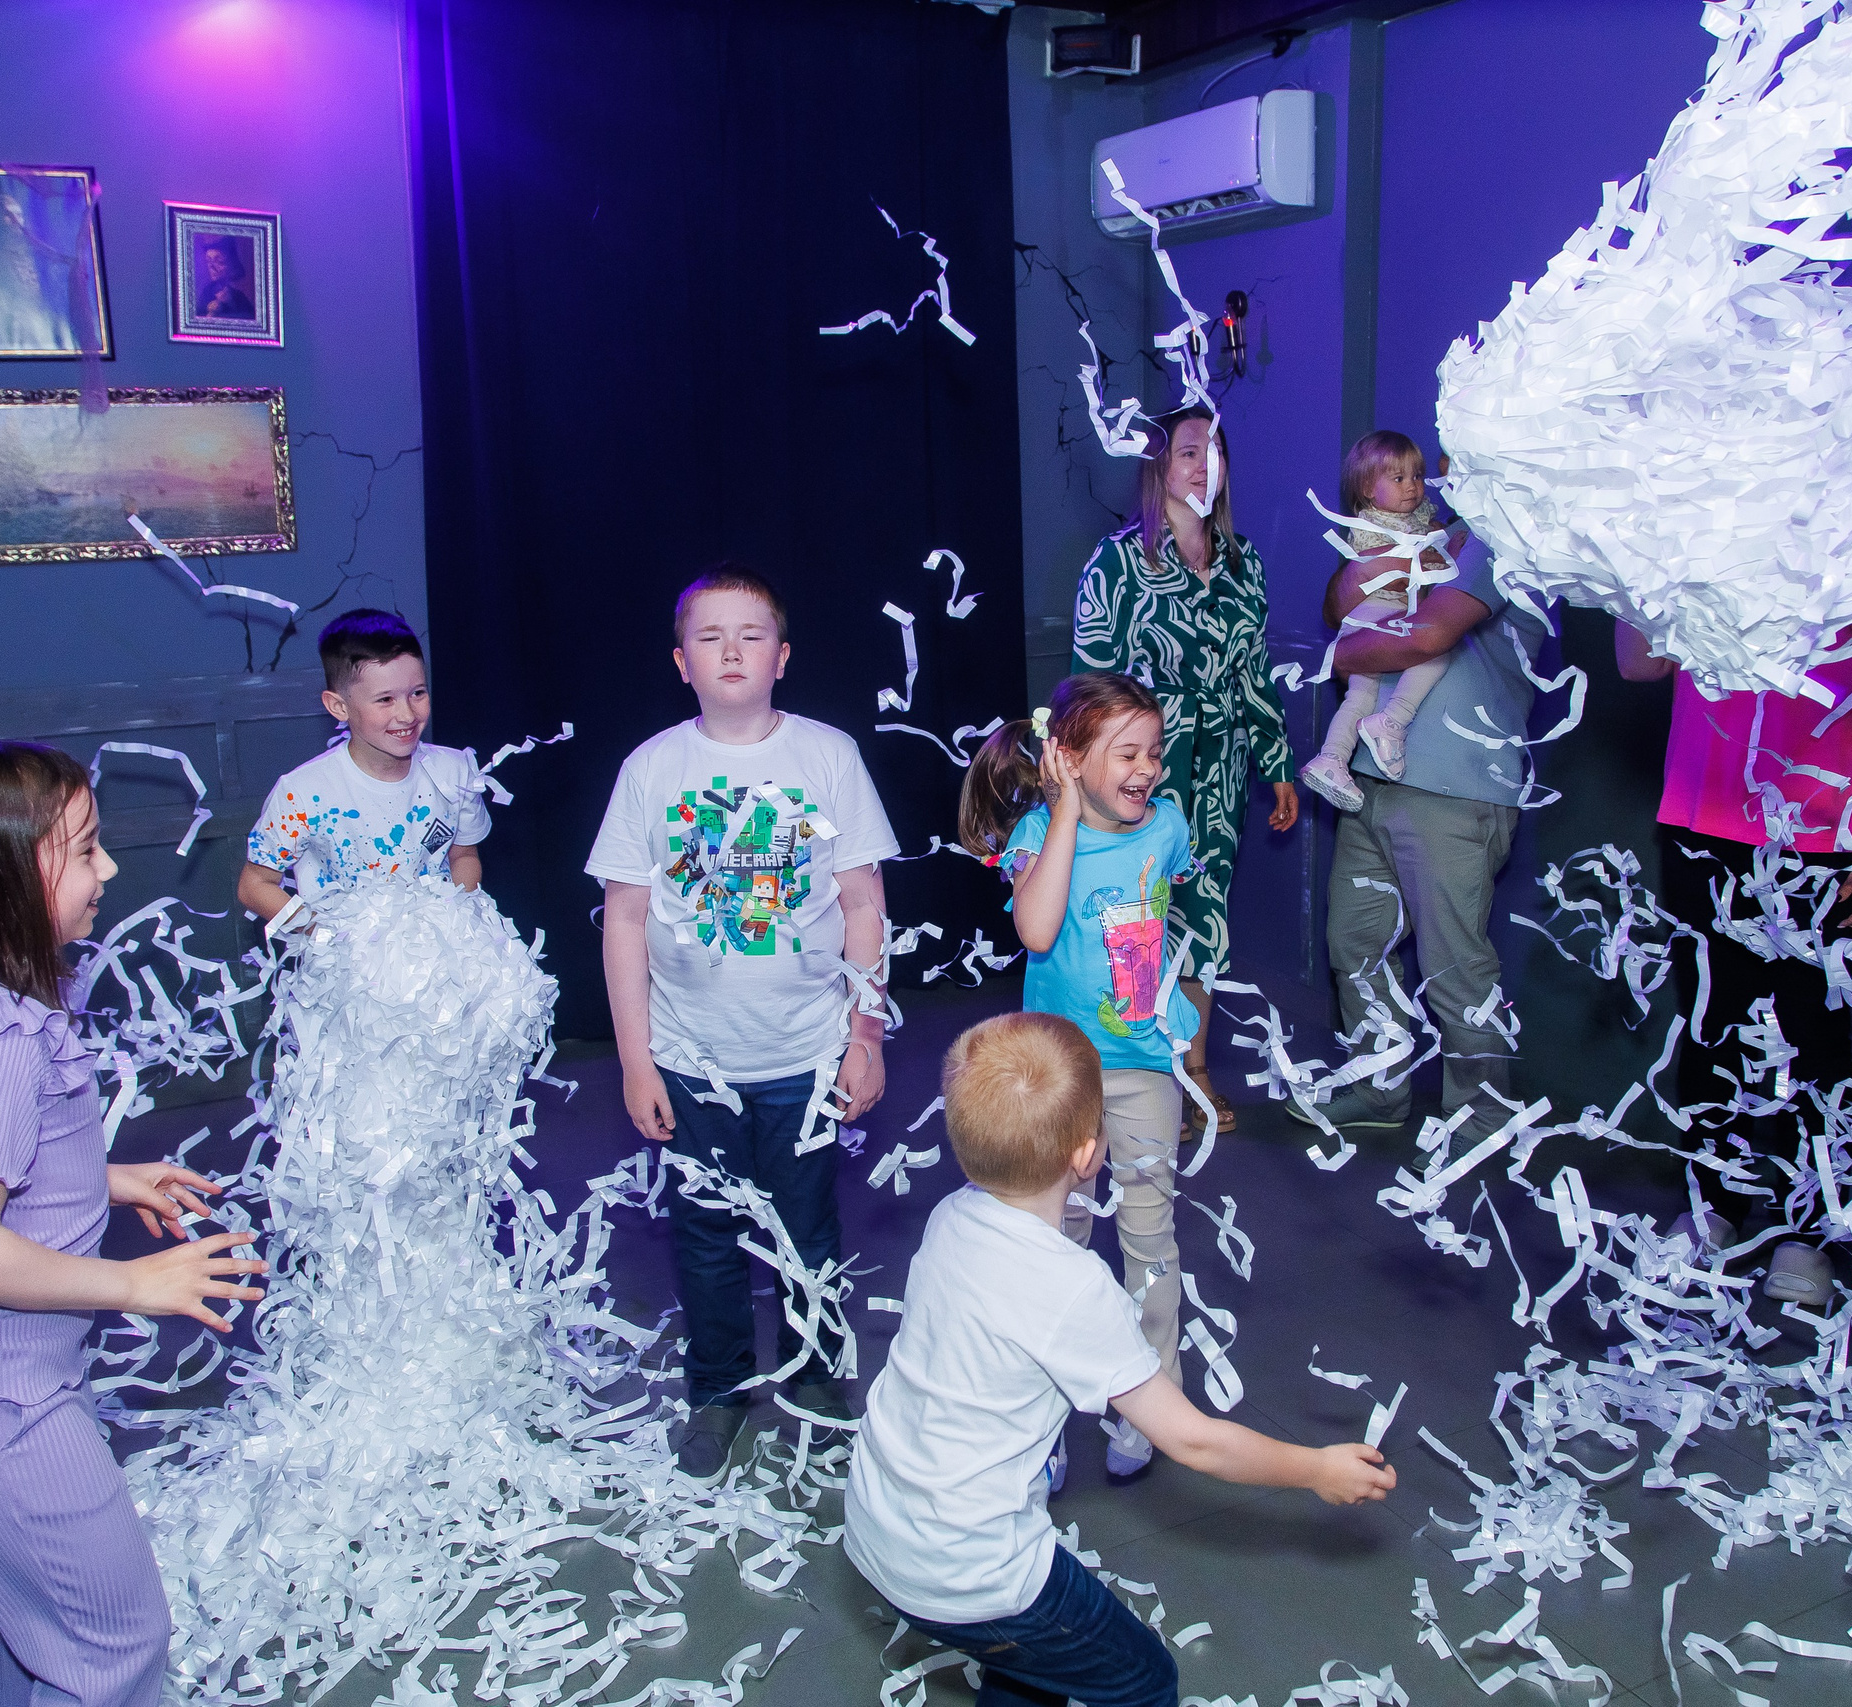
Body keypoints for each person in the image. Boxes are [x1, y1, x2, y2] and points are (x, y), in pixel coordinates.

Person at [0, 741, 268, 1707]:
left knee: (32, 1640)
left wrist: (106, 1178)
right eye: (85, 851)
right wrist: (138, 1282)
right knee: (116, 1644)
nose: (110, 870)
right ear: (2, 878)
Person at [843, 1011, 1395, 1707]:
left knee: (1032, 1662)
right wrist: (1316, 1469)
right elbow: (1193, 1439)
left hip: (878, 1520)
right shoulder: (1074, 1288)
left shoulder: (952, 1216)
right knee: (1140, 1677)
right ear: (1087, 1154)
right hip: (970, 1568)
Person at [588, 564, 897, 1476]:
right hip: (691, 1059)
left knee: (809, 1228)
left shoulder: (828, 756)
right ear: (681, 661)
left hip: (805, 1053)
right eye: (710, 637)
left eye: (750, 634)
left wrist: (865, 1034)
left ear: (783, 656)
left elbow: (864, 904)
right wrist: (638, 1063)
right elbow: (627, 923)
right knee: (707, 1234)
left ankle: (815, 1378)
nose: (730, 650)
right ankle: (719, 1389)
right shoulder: (652, 769)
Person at [958, 670, 1199, 1483]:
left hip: (1144, 1071)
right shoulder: (1037, 831)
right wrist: (1062, 811)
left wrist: (1178, 1007)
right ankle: (1044, 1423)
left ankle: (1151, 1402)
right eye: (1126, 752)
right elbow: (1035, 926)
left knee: (1150, 1240)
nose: (1147, 768)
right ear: (1067, 757)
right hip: (1060, 1078)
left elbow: (1164, 917)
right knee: (1057, 1246)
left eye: (1154, 752)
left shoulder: (1167, 826)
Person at [1614, 622, 1852, 1305]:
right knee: (1712, 1018)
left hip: (1836, 818)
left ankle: (1812, 1230)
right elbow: (1637, 663)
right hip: (1706, 808)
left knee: (1817, 1032)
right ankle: (1712, 1203)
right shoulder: (1705, 518)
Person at [1072, 407, 1300, 1133]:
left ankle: (1195, 1071)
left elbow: (1255, 673)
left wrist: (1278, 762)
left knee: (1204, 925)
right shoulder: (1116, 562)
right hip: (1138, 782)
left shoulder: (1244, 564)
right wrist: (1098, 786)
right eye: (1189, 451)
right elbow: (1089, 690)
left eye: (1217, 450)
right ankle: (1141, 1077)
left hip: (1219, 778)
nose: (1205, 464)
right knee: (1139, 921)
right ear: (1160, 467)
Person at [1289, 529, 1549, 1138]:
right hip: (1367, 781)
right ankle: (1378, 1091)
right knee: (1355, 944)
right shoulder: (1430, 530)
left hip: (1456, 794)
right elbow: (1340, 601)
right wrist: (1358, 627)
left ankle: (1481, 1117)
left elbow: (1428, 634)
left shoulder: (1511, 534)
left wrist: (1348, 653)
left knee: (1455, 963)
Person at [240, 609, 491, 921]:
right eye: (385, 699)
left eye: (417, 693)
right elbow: (254, 885)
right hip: (345, 964)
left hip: (441, 960)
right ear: (339, 706)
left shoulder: (456, 772)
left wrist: (462, 924)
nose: (407, 715)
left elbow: (463, 855)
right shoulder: (301, 793)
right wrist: (322, 936)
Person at [1298, 431, 1469, 812]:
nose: (1412, 487)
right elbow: (1406, 566)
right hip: (1377, 611)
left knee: (1360, 695)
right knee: (1436, 652)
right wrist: (1443, 553)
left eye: (1418, 476)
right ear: (1368, 489)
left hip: (1375, 614)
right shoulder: (1371, 524)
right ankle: (1393, 720)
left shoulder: (1421, 518)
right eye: (1398, 478)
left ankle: (1332, 758)